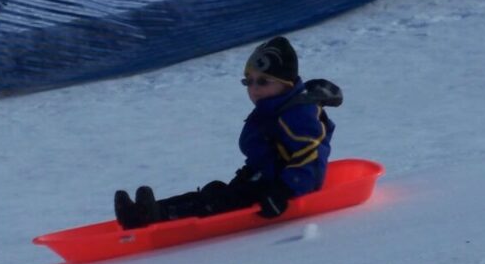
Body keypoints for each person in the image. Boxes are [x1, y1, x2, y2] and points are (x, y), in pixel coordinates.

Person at [114, 36, 340, 228]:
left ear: (287, 84)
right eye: (249, 82)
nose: (254, 89)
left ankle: (155, 218)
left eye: (263, 81)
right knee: (215, 194)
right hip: (263, 178)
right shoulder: (274, 107)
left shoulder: (297, 113)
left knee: (219, 202)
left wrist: (284, 191)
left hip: (282, 187)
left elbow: (311, 156)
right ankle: (150, 211)